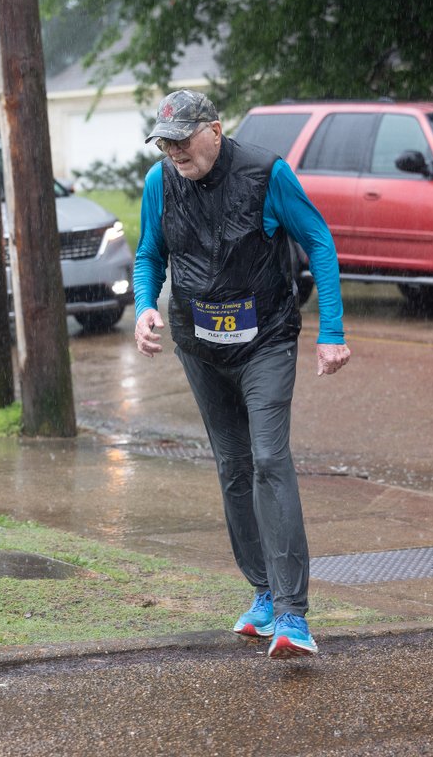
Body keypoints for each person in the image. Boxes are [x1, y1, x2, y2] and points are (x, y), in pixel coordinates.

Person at [133, 89, 351, 659]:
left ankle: (292, 615)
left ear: (215, 129)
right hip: (200, 347)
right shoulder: (160, 183)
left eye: (183, 138)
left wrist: (332, 332)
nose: (175, 150)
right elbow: (148, 254)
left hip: (267, 341)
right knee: (232, 466)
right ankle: (261, 593)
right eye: (166, 142)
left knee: (269, 460)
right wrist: (144, 306)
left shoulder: (265, 173)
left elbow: (319, 242)